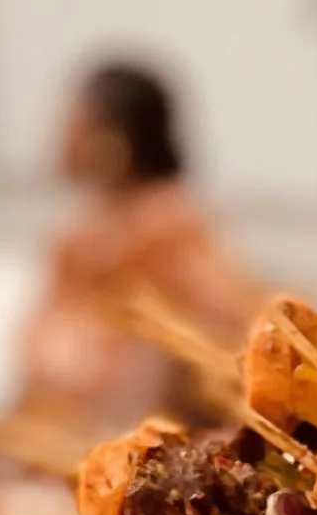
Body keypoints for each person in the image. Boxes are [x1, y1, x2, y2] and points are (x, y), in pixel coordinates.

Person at [15, 60, 256, 431]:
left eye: (72, 123)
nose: (56, 137)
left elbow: (235, 328)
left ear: (113, 138)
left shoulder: (167, 225)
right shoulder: (80, 235)